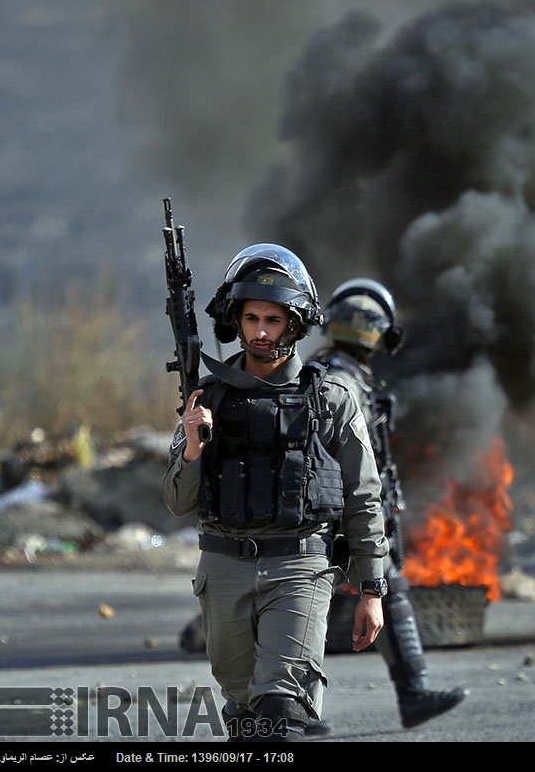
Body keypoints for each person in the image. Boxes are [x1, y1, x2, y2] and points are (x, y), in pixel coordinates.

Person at [162, 244, 390, 742]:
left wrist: (372, 589)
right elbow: (178, 502)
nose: (260, 331)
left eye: (272, 318)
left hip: (300, 566)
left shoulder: (330, 399)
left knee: (283, 709)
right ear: (235, 321)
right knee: (244, 715)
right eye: (250, 318)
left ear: (295, 323)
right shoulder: (208, 397)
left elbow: (363, 498)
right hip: (224, 568)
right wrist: (193, 445)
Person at [306, 277, 468, 732]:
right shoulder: (341, 381)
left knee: (365, 592)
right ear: (381, 334)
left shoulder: (336, 375)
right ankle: (407, 696)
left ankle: (411, 696)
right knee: (304, 601)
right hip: (336, 513)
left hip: (334, 510)